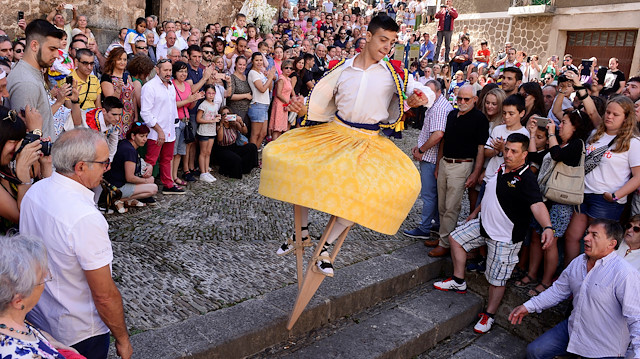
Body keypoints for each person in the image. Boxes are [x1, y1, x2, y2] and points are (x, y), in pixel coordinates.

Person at [263, 15, 435, 276]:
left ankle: (326, 247)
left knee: (365, 191)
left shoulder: (394, 74)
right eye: (382, 40)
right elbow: (320, 100)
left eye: (391, 42)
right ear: (368, 36)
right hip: (336, 131)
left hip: (369, 140)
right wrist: (303, 108)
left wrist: (416, 99)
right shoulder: (341, 68)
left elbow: (430, 93)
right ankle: (302, 233)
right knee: (293, 164)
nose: (387, 47)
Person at [20, 129, 133, 359]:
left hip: (41, 318)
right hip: (80, 332)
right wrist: (122, 338)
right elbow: (104, 295)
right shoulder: (85, 218)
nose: (107, 167)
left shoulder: (35, 191)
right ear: (81, 167)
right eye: (104, 162)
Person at [434, 133, 555, 334]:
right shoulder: (501, 167)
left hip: (505, 238)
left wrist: (548, 228)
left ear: (524, 154)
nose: (507, 154)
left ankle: (489, 315)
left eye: (513, 151)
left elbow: (537, 205)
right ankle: (458, 281)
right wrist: (474, 213)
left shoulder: (527, 179)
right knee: (456, 238)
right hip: (483, 225)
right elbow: (491, 194)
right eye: (506, 149)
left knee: (496, 281)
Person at [510, 219, 640, 359]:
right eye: (587, 233)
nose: (586, 238)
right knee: (535, 351)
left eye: (594, 235)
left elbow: (636, 317)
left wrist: (636, 354)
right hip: (575, 328)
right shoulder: (579, 262)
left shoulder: (624, 273)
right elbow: (558, 291)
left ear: (611, 243)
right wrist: (528, 306)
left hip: (604, 347)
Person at [517, 109, 592, 296]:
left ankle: (546, 282)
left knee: (550, 241)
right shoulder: (559, 144)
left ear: (576, 127)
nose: (560, 125)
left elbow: (557, 155)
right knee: (536, 237)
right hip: (545, 198)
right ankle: (532, 273)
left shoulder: (576, 145)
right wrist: (533, 135)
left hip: (561, 202)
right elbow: (535, 158)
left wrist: (550, 134)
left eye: (564, 122)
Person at [563, 96, 640, 266]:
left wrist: (615, 195)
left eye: (615, 114)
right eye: (608, 112)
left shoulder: (633, 143)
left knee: (597, 246)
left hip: (606, 201)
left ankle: (589, 282)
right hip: (583, 194)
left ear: (626, 118)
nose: (609, 117)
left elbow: (638, 177)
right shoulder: (596, 134)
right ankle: (570, 277)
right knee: (572, 237)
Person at [429, 85, 488, 257]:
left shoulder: (479, 119)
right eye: (459, 98)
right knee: (441, 204)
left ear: (475, 100)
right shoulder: (452, 114)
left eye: (466, 99)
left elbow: (481, 148)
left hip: (462, 164)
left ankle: (445, 243)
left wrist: (475, 172)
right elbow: (444, 142)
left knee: (451, 206)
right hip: (446, 162)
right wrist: (439, 164)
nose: (461, 102)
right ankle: (443, 237)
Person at [0, 234, 82, 358]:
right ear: (18, 301)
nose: (46, 278)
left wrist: (45, 339)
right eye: (41, 279)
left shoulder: (10, 320)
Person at [404, 80, 452, 240]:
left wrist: (421, 149)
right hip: (431, 156)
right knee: (435, 194)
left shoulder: (438, 108)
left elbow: (438, 134)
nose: (423, 96)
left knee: (429, 195)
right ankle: (436, 224)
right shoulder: (436, 105)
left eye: (429, 93)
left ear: (438, 92)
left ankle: (424, 228)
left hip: (431, 158)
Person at [8, 20, 64, 141]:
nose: (56, 55)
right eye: (52, 49)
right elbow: (23, 139)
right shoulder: (26, 83)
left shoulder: (31, 74)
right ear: (34, 46)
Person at [0, 106, 51, 234]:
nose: (17, 146)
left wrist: (45, 166)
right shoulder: (17, 167)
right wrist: (22, 174)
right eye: (13, 141)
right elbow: (24, 218)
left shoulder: (10, 166)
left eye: (20, 140)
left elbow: (46, 206)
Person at [140, 59, 184, 195]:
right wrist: (159, 130)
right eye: (165, 70)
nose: (168, 73)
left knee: (167, 159)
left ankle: (168, 184)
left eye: (170, 70)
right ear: (157, 70)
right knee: (150, 160)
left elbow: (172, 108)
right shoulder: (149, 87)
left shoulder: (170, 86)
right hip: (155, 132)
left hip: (170, 130)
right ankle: (144, 187)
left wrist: (174, 126)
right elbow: (145, 112)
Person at [103, 122, 158, 210]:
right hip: (116, 187)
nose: (145, 139)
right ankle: (118, 199)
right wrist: (146, 181)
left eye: (146, 136)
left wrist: (150, 166)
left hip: (111, 182)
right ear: (133, 136)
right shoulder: (130, 151)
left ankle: (128, 200)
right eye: (142, 136)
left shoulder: (125, 143)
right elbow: (130, 178)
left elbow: (138, 162)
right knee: (153, 188)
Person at [101, 47, 136, 139]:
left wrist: (135, 115)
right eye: (119, 59)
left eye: (124, 59)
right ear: (113, 60)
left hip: (129, 116)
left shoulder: (128, 76)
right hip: (116, 117)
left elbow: (133, 97)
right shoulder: (107, 77)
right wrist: (118, 89)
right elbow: (111, 101)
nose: (122, 62)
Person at [214, 106, 258, 179]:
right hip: (223, 149)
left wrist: (241, 122)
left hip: (233, 146)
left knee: (252, 146)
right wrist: (221, 124)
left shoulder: (233, 124)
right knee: (236, 158)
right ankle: (232, 173)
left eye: (228, 114)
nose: (226, 116)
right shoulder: (219, 126)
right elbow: (220, 139)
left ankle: (247, 169)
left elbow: (245, 132)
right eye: (224, 114)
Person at [248, 52, 276, 147]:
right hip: (257, 105)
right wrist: (270, 77)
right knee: (255, 134)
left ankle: (254, 154)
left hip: (264, 105)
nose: (259, 62)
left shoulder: (260, 73)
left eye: (261, 60)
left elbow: (269, 88)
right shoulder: (253, 73)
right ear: (252, 61)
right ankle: (251, 157)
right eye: (257, 60)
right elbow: (262, 89)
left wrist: (269, 77)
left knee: (263, 134)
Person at [196, 84, 221, 183]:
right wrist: (211, 121)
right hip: (204, 131)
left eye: (213, 93)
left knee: (208, 152)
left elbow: (213, 115)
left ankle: (206, 170)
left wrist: (217, 117)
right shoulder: (203, 105)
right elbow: (198, 119)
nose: (211, 95)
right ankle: (203, 172)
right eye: (209, 93)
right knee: (203, 152)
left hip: (212, 131)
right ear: (205, 94)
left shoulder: (215, 105)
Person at [270, 59, 295, 141]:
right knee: (276, 128)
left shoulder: (288, 79)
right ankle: (272, 148)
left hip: (285, 105)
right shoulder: (281, 78)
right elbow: (278, 93)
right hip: (279, 104)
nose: (288, 70)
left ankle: (277, 148)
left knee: (281, 128)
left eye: (290, 68)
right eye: (286, 68)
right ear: (282, 68)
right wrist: (287, 101)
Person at [227, 56, 252, 134]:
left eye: (244, 65)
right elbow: (230, 96)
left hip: (246, 110)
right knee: (236, 133)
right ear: (235, 64)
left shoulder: (246, 77)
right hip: (235, 110)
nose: (242, 67)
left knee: (245, 134)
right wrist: (245, 95)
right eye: (240, 64)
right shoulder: (232, 77)